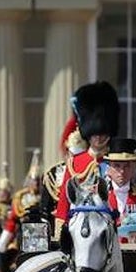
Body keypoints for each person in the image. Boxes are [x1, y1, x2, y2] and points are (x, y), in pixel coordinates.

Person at [52, 81, 119, 238]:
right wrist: (60, 231)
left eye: (102, 134)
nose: (98, 138)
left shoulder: (116, 161)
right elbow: (64, 201)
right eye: (95, 134)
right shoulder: (75, 163)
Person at [0, 149, 45, 256]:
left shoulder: (44, 197)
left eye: (37, 180)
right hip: (24, 231)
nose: (35, 183)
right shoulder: (21, 198)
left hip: (42, 232)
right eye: (33, 181)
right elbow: (13, 219)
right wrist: (4, 240)